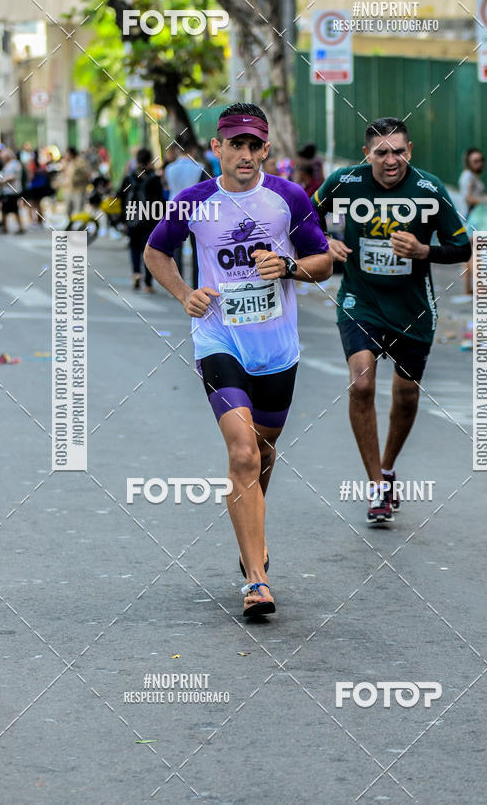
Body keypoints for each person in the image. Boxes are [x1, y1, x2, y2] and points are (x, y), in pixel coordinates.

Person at [144, 102, 332, 618]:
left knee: (263, 456)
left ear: (265, 149)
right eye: (236, 144)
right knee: (244, 454)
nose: (245, 154)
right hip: (218, 341)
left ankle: (252, 537)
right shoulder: (194, 201)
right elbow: (155, 252)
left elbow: (324, 262)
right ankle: (257, 579)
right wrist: (184, 294)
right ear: (217, 148)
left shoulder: (288, 198)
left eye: (254, 145)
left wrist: (289, 266)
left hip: (276, 349)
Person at [312, 117, 471, 526]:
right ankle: (376, 487)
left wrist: (423, 251)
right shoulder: (344, 182)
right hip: (359, 301)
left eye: (398, 151)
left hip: (413, 309)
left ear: (410, 151)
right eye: (381, 152)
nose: (391, 160)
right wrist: (322, 241)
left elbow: (462, 247)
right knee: (361, 383)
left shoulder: (429, 189)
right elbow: (302, 218)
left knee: (406, 396)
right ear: (367, 154)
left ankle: (387, 467)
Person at [118, 148, 164, 292]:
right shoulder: (154, 179)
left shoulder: (129, 178)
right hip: (150, 219)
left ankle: (136, 273)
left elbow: (121, 197)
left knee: (134, 246)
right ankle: (148, 284)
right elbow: (160, 201)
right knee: (148, 250)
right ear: (150, 161)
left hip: (132, 218)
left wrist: (123, 218)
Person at [458, 147, 487, 294]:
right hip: (474, 218)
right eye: (476, 161)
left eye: (481, 160)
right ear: (468, 162)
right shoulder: (469, 177)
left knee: (469, 253)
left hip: (470, 217)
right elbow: (468, 198)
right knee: (475, 253)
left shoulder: (470, 176)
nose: (480, 164)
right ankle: (479, 286)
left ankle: (469, 287)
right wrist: (486, 200)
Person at [0, 148, 24, 234]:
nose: (2, 159)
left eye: (3, 157)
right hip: (7, 191)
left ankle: (17, 227)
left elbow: (12, 177)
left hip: (12, 191)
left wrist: (1, 182)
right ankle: (5, 227)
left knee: (12, 210)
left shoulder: (14, 164)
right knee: (6, 209)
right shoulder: (7, 165)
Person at [61, 147, 91, 216]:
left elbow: (87, 174)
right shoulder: (68, 163)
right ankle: (69, 224)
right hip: (69, 189)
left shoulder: (80, 162)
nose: (66, 156)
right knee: (68, 209)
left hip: (79, 189)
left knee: (79, 209)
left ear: (71, 154)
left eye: (67, 154)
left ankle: (79, 225)